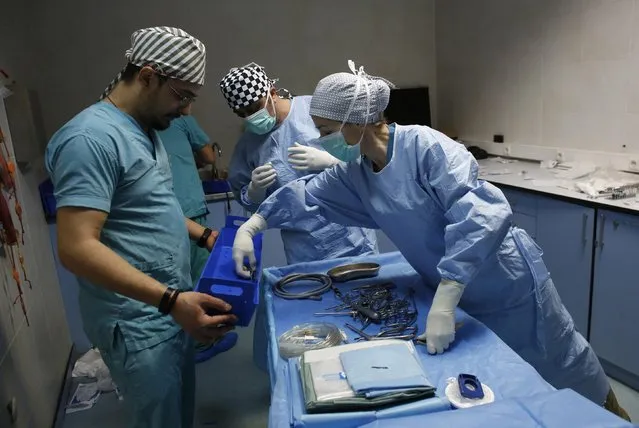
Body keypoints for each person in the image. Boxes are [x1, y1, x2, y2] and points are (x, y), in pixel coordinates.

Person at [230, 61, 631, 421]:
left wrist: (446, 293)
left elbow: (483, 213)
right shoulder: (357, 172)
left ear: (358, 121)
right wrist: (255, 223)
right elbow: (309, 194)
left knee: (563, 362)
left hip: (508, 284)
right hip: (459, 294)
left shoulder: (424, 145)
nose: (321, 142)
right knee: (507, 386)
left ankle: (615, 416)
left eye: (327, 132)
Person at [46, 27, 237, 428]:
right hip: (139, 322)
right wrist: (169, 300)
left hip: (169, 309)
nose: (185, 110)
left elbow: (152, 207)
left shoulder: (143, 132)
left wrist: (201, 234)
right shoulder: (90, 139)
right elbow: (76, 248)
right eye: (181, 96)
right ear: (148, 75)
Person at [219, 63, 378, 265]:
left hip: (352, 234)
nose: (250, 117)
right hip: (304, 246)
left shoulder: (315, 111)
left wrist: (333, 161)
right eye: (242, 114)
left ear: (272, 92)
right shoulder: (248, 145)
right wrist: (253, 191)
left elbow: (364, 155)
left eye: (254, 108)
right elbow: (255, 203)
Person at [159, 106, 239, 357]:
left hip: (160, 218)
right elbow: (208, 157)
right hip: (189, 209)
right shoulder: (183, 121)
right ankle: (201, 341)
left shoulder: (137, 127)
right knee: (198, 279)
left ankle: (182, 341)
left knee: (172, 279)